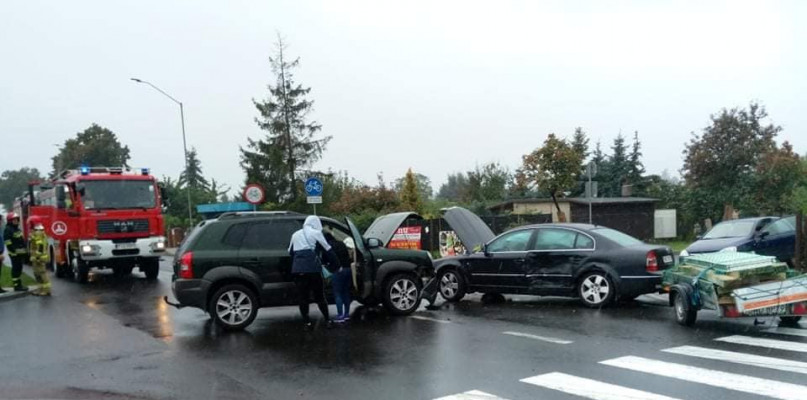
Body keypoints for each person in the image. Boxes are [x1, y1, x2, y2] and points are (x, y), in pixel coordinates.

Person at [288, 216, 341, 329]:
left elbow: (290, 252)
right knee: (319, 296)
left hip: (298, 270)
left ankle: (306, 323)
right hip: (312, 268)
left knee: (303, 297)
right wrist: (336, 266)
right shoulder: (316, 233)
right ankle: (327, 320)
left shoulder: (295, 234)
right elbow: (328, 250)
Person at [323, 231, 352, 323]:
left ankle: (340, 315)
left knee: (337, 293)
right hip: (348, 269)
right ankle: (347, 314)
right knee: (346, 291)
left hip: (337, 270)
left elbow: (325, 260)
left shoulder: (327, 246)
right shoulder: (341, 243)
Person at [4, 212, 28, 292]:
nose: (16, 221)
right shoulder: (8, 230)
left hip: (20, 253)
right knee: (16, 269)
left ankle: (19, 284)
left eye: (17, 219)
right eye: (14, 220)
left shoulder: (17, 229)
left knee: (19, 268)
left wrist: (25, 248)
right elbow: (8, 242)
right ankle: (17, 286)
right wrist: (13, 252)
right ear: (10, 221)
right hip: (14, 254)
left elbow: (21, 240)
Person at [28, 218, 51, 296]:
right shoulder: (38, 231)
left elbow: (40, 246)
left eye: (30, 224)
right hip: (38, 257)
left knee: (41, 273)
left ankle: (46, 290)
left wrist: (37, 257)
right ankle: (41, 289)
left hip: (39, 258)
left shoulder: (37, 232)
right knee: (37, 273)